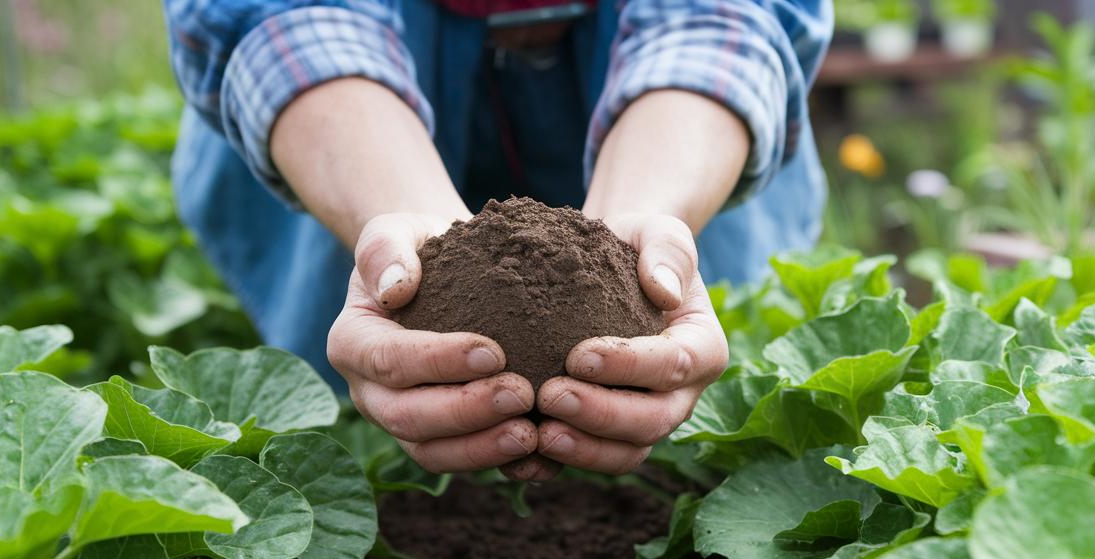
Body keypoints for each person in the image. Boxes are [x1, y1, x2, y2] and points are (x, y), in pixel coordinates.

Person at [162, 0, 831, 481]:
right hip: (346, 116)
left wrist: (643, 227)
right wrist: (408, 236)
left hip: (673, 123)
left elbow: (717, 18)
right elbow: (288, 17)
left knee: (674, 417)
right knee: (380, 395)